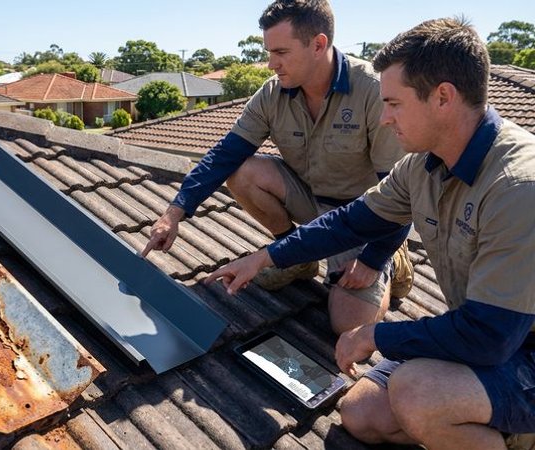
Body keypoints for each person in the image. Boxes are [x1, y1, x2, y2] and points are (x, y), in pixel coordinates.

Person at [205, 17, 535, 449]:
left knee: (418, 392)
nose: (383, 119)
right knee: (360, 414)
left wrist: (376, 335)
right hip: (486, 335)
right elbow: (349, 222)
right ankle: (484, 422)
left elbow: (489, 337)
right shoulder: (421, 165)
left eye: (394, 104)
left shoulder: (517, 188)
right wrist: (264, 257)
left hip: (517, 349)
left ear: (443, 98)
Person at [141, 0, 412, 334]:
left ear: (318, 45)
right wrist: (174, 212)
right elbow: (225, 154)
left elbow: (402, 197)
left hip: (359, 219)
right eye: (269, 52)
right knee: (241, 170)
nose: (271, 64)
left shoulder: (372, 91)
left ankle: (396, 260)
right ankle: (297, 257)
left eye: (281, 52)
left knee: (346, 325)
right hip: (311, 201)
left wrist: (373, 259)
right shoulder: (273, 94)